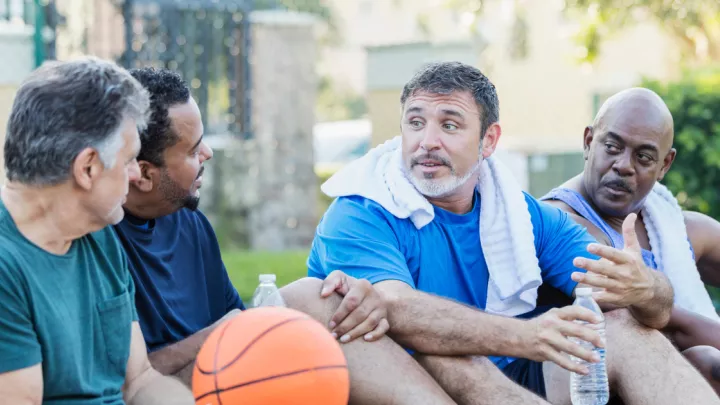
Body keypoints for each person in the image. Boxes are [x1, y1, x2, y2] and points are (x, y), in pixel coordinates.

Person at [307, 61, 720, 405]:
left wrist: (643, 286)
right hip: (417, 377)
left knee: (623, 329)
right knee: (449, 357)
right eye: (415, 123)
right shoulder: (360, 210)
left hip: (515, 369)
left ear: (489, 140)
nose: (426, 142)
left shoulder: (523, 215)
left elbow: (647, 305)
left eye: (449, 125)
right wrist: (528, 335)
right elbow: (398, 311)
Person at [114, 66, 480, 405]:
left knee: (323, 298)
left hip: (227, 376)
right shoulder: (100, 242)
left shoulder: (188, 222)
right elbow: (126, 382)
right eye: (194, 150)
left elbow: (238, 326)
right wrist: (224, 332)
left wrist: (343, 301)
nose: (208, 153)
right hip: (169, 392)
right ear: (144, 174)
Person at [0, 57, 194, 404]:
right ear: (88, 168)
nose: (137, 174)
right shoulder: (7, 267)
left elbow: (139, 380)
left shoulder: (98, 234)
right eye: (129, 159)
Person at [541, 87, 720, 394]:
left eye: (644, 156)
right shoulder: (559, 223)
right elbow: (672, 325)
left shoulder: (670, 225)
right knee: (708, 363)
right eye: (612, 146)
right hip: (582, 384)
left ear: (664, 165)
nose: (624, 165)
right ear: (588, 142)